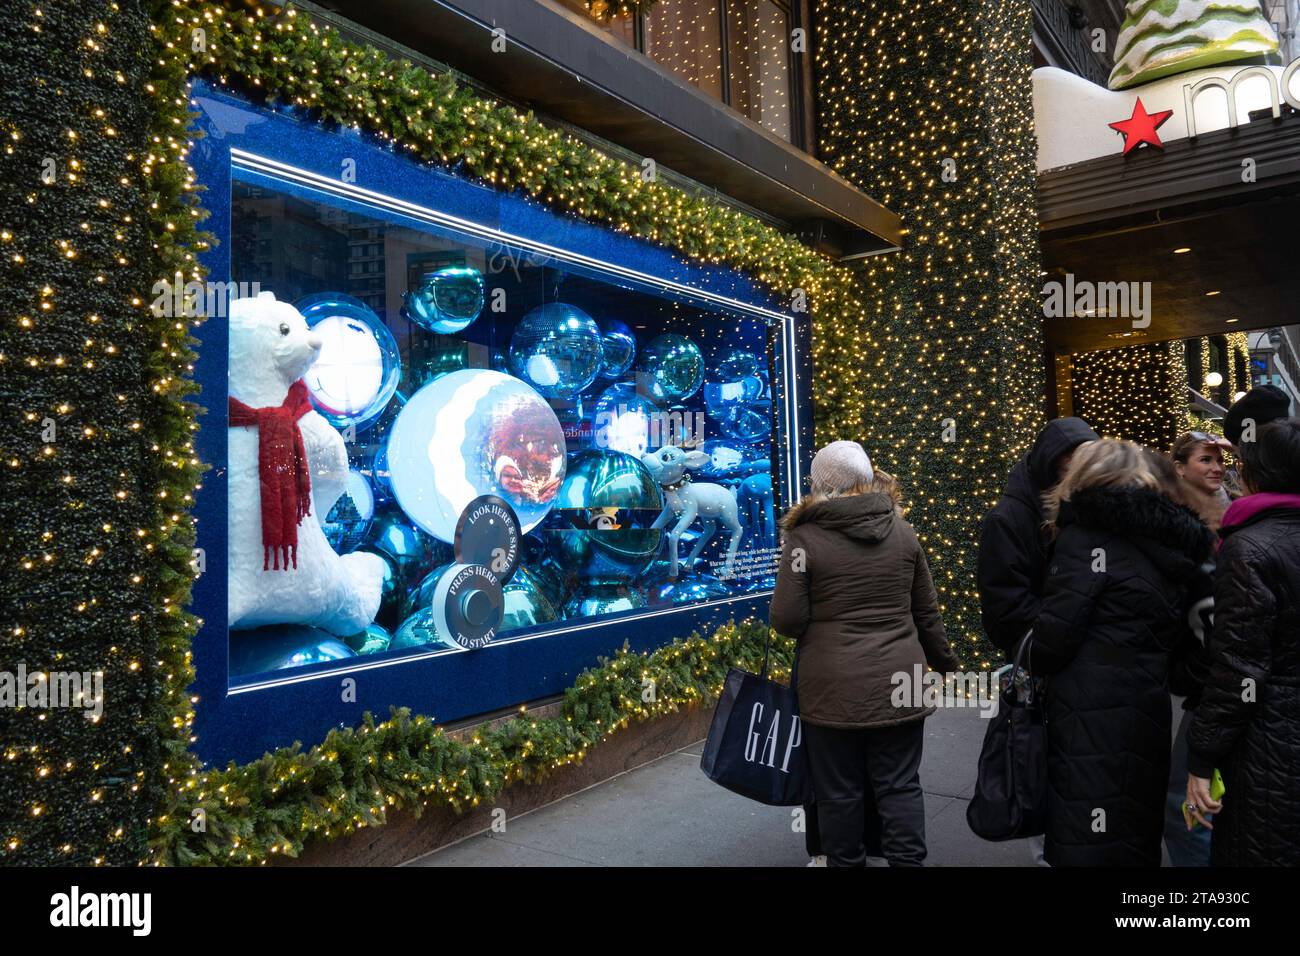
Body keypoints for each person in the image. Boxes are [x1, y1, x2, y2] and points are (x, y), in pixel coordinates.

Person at [770, 442, 960, 867]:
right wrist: (945, 664)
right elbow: (926, 610)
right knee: (901, 785)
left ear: (820, 486)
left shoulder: (804, 540)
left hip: (831, 689)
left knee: (839, 792)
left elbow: (786, 619)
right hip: (902, 683)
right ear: (868, 478)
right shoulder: (902, 531)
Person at [1030, 439, 1214, 867]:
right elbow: (1198, 631)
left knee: (1087, 828)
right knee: (1134, 822)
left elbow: (1053, 640)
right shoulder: (1174, 540)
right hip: (1146, 707)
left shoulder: (1085, 538)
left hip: (1084, 711)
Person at [1185, 418, 1300, 866]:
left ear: (1254, 474)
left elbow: (1240, 667)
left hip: (1271, 744)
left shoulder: (1249, 546)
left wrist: (1202, 757)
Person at [1162, 432, 1236, 866]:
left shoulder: (1232, 515)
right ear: (1179, 467)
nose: (1215, 467)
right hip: (1211, 678)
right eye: (1204, 459)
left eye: (1219, 461)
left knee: (1188, 800)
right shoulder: (1170, 519)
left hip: (1219, 681)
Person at [977, 417, 1099, 659]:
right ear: (1051, 464)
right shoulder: (1006, 520)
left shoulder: (1087, 508)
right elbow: (1005, 611)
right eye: (1072, 462)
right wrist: (1059, 638)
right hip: (1044, 661)